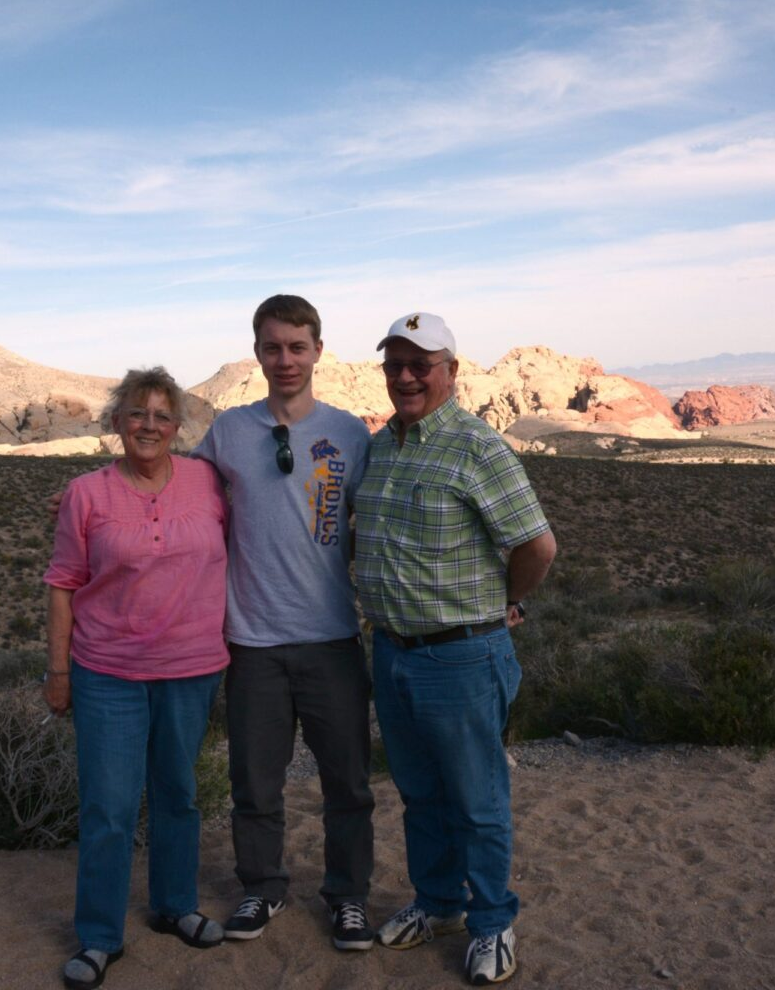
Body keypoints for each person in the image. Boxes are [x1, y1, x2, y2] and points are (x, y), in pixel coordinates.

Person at [353, 313, 556, 985]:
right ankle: (438, 903)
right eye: (395, 365)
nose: (406, 377)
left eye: (421, 365)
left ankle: (492, 921)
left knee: (476, 799)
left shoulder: (477, 446)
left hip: (462, 656)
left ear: (450, 372)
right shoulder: (383, 445)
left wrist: (506, 604)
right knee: (419, 794)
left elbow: (536, 545)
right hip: (394, 651)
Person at [193, 294, 377, 951]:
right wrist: (84, 495)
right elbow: (171, 491)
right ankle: (261, 888)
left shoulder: (350, 432)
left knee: (347, 783)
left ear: (318, 351)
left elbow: (383, 519)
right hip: (252, 642)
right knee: (254, 781)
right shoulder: (227, 432)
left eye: (297, 347)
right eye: (272, 347)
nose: (285, 359)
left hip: (331, 638)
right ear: (257, 353)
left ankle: (348, 897)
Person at [43, 367, 230, 990]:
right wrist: (58, 670)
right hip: (108, 673)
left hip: (190, 668)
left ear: (178, 427)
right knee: (109, 807)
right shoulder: (86, 494)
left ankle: (175, 906)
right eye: (136, 413)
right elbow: (63, 585)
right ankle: (99, 937)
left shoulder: (209, 480)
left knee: (178, 795)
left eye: (161, 415)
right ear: (116, 421)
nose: (148, 425)